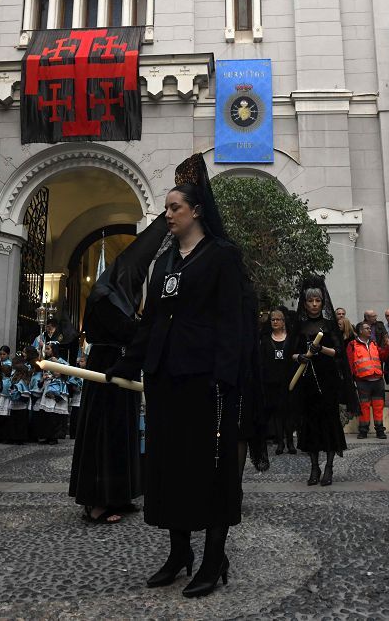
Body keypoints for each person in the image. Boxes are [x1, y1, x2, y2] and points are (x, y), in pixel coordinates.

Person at [105, 153, 252, 598]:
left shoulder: (221, 257)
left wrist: (224, 376)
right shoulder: (166, 263)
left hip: (206, 382)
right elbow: (153, 322)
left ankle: (213, 557)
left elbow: (234, 321)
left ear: (196, 211)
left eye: (174, 208)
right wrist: (128, 364)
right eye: (166, 208)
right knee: (169, 469)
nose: (166, 215)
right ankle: (179, 552)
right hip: (166, 382)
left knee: (209, 469)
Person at [70, 213, 168, 524]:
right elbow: (128, 331)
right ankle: (97, 502)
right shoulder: (105, 298)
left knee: (123, 433)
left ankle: (120, 495)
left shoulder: (118, 297)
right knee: (103, 435)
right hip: (106, 371)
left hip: (122, 370)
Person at [290, 277, 357, 487]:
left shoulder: (329, 325)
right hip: (307, 381)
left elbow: (339, 353)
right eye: (310, 301)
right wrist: (299, 357)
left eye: (317, 301)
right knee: (310, 424)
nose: (314, 305)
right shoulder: (299, 325)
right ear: (305, 303)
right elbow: (290, 352)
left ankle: (328, 466)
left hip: (328, 381)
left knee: (329, 424)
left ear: (322, 302)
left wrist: (322, 350)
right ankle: (314, 467)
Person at [261, 307, 296, 455]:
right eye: (273, 320)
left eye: (278, 319)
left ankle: (290, 442)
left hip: (289, 381)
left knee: (289, 412)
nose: (275, 322)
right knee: (277, 413)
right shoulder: (265, 339)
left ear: (283, 322)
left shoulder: (291, 338)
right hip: (271, 381)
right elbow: (262, 361)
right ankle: (280, 442)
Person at [348, 321, 386, 440]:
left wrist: (388, 347)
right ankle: (363, 431)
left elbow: (383, 357)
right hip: (363, 381)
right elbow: (349, 363)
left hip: (378, 380)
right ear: (360, 331)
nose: (370, 330)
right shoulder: (352, 345)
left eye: (370, 328)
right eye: (367, 328)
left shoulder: (374, 343)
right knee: (364, 407)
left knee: (378, 406)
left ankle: (380, 430)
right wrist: (351, 380)